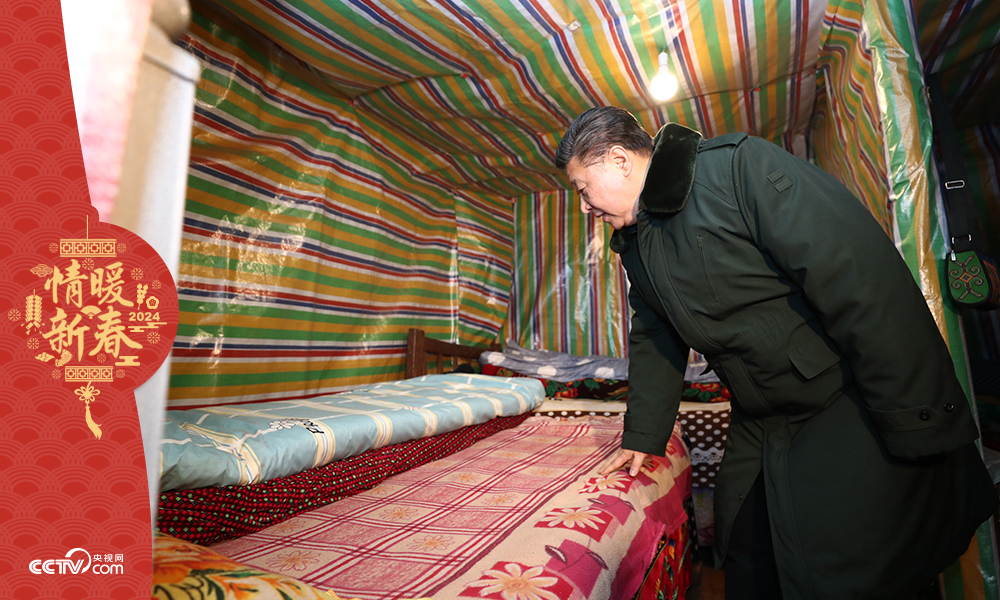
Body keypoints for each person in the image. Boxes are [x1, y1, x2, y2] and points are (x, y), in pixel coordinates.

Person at [555, 106, 998, 600]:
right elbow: (654, 334)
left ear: (619, 160)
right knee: (747, 551)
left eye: (582, 189)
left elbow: (856, 276)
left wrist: (917, 416)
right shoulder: (636, 241)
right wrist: (643, 435)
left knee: (858, 563)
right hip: (760, 415)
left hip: (839, 398)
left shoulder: (734, 169)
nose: (584, 207)